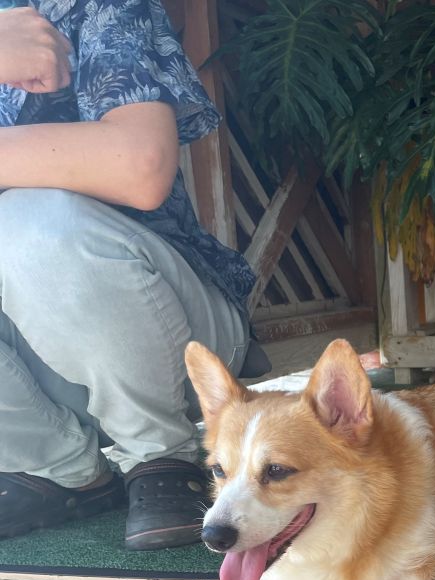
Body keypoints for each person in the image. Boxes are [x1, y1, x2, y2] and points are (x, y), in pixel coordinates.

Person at [0, 0, 263, 549]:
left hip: (171, 338)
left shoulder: (96, 9)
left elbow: (138, 165)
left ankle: (159, 454)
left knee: (25, 219)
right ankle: (59, 469)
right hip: (42, 377)